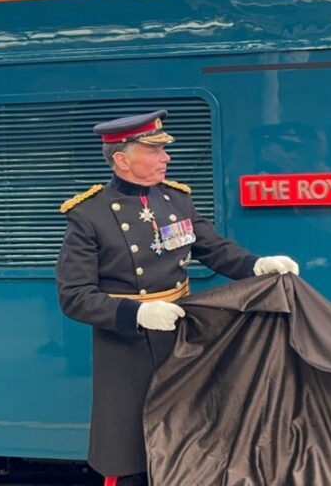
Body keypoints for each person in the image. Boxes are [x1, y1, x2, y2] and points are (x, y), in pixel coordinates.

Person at [56, 110, 298, 486]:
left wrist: (257, 265)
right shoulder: (90, 216)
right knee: (131, 451)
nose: (165, 158)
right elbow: (74, 296)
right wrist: (137, 314)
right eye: (153, 151)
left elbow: (214, 249)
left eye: (163, 150)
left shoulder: (175, 200)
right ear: (122, 159)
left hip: (180, 337)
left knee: (190, 438)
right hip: (126, 349)